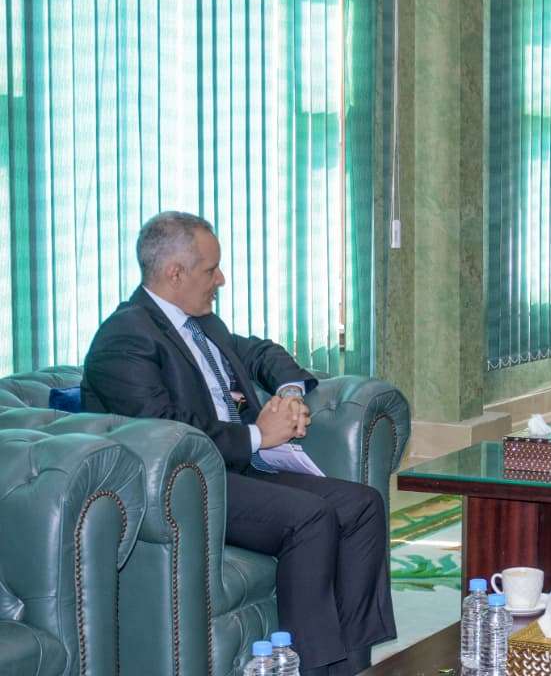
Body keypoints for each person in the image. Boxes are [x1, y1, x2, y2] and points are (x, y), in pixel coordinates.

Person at [82, 211, 394, 676]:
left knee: (363, 505)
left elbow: (261, 352)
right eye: (211, 270)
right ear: (175, 273)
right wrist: (258, 435)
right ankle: (308, 668)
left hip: (239, 470)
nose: (221, 280)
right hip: (186, 489)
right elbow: (163, 431)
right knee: (310, 518)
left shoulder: (200, 322)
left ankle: (349, 665)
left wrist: (289, 394)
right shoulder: (125, 338)